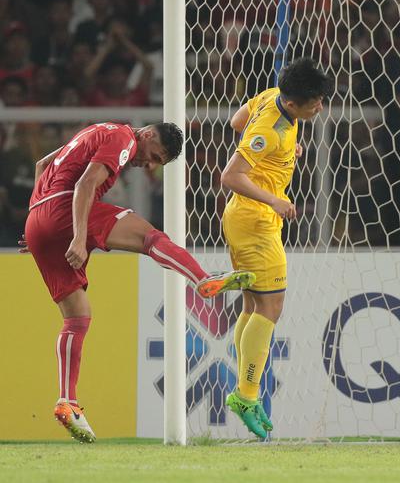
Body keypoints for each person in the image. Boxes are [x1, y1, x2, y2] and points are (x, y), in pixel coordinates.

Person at [22, 121, 254, 442]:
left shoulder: (93, 132)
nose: (149, 164)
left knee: (77, 317)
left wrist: (39, 216)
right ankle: (202, 280)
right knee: (151, 237)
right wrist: (76, 237)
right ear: (146, 135)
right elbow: (86, 184)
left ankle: (67, 401)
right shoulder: (123, 138)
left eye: (157, 162)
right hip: (66, 212)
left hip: (37, 219)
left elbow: (43, 165)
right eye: (155, 155)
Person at [219, 58, 330, 439]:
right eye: (315, 102)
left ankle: (243, 390)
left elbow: (236, 122)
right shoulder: (270, 127)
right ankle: (247, 396)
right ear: (296, 103)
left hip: (243, 220)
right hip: (255, 220)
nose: (320, 107)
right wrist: (274, 199)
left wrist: (283, 152)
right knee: (272, 307)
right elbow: (229, 175)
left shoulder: (272, 97)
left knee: (254, 306)